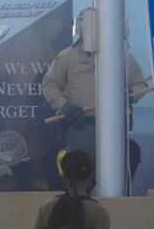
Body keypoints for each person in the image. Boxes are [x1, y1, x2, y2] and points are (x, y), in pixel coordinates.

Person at [41, 15, 147, 181]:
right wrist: (64, 106)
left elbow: (140, 85)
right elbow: (49, 85)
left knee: (121, 172)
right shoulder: (66, 57)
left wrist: (130, 96)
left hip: (115, 128)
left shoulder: (122, 55)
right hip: (81, 127)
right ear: (80, 29)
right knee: (80, 177)